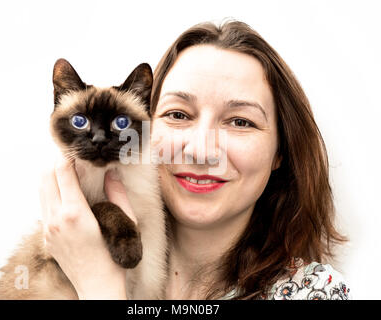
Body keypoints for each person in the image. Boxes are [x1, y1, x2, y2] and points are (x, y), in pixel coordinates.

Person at [40, 20, 351, 300]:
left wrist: (99, 288)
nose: (201, 151)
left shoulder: (316, 292)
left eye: (240, 121)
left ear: (280, 152)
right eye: (178, 114)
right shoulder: (58, 253)